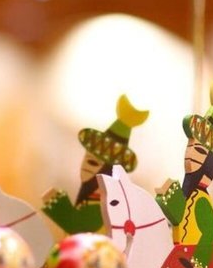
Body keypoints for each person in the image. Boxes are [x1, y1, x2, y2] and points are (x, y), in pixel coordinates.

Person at [155, 79, 213, 268]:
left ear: (210, 160)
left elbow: (208, 234)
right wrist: (167, 196)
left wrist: (199, 267)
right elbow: (177, 216)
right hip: (177, 263)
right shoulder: (189, 194)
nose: (190, 154)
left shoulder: (202, 201)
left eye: (200, 150)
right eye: (189, 146)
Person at [43, 95, 148, 235]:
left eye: (92, 163)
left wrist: (56, 201)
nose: (84, 167)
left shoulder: (100, 206)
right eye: (87, 160)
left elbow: (75, 225)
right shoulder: (90, 199)